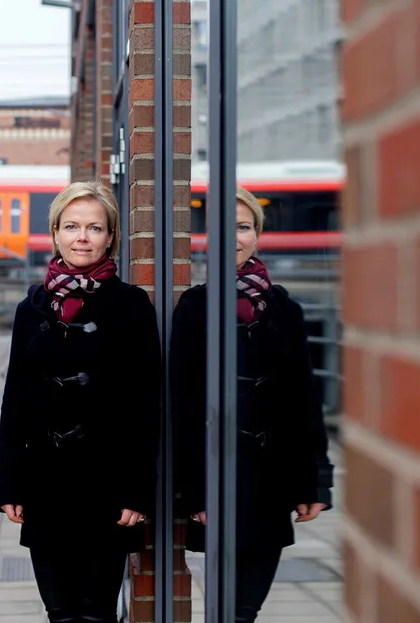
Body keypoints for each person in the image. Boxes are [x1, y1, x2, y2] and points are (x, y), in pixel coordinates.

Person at [0, 180, 160, 623]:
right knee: (59, 613)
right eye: (72, 226)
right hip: (44, 483)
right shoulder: (32, 309)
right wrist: (8, 484)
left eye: (94, 227)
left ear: (111, 238)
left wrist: (138, 490)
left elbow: (148, 405)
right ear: (55, 233)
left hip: (107, 485)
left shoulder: (132, 306)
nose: (82, 237)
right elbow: (15, 400)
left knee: (97, 613)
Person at [170, 187, 334, 622]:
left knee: (245, 611)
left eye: (243, 227)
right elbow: (182, 406)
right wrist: (195, 490)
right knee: (223, 609)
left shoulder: (285, 309)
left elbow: (305, 400)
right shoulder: (193, 306)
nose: (234, 238)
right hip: (216, 479)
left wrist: (314, 483)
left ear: (257, 235)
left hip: (273, 480)